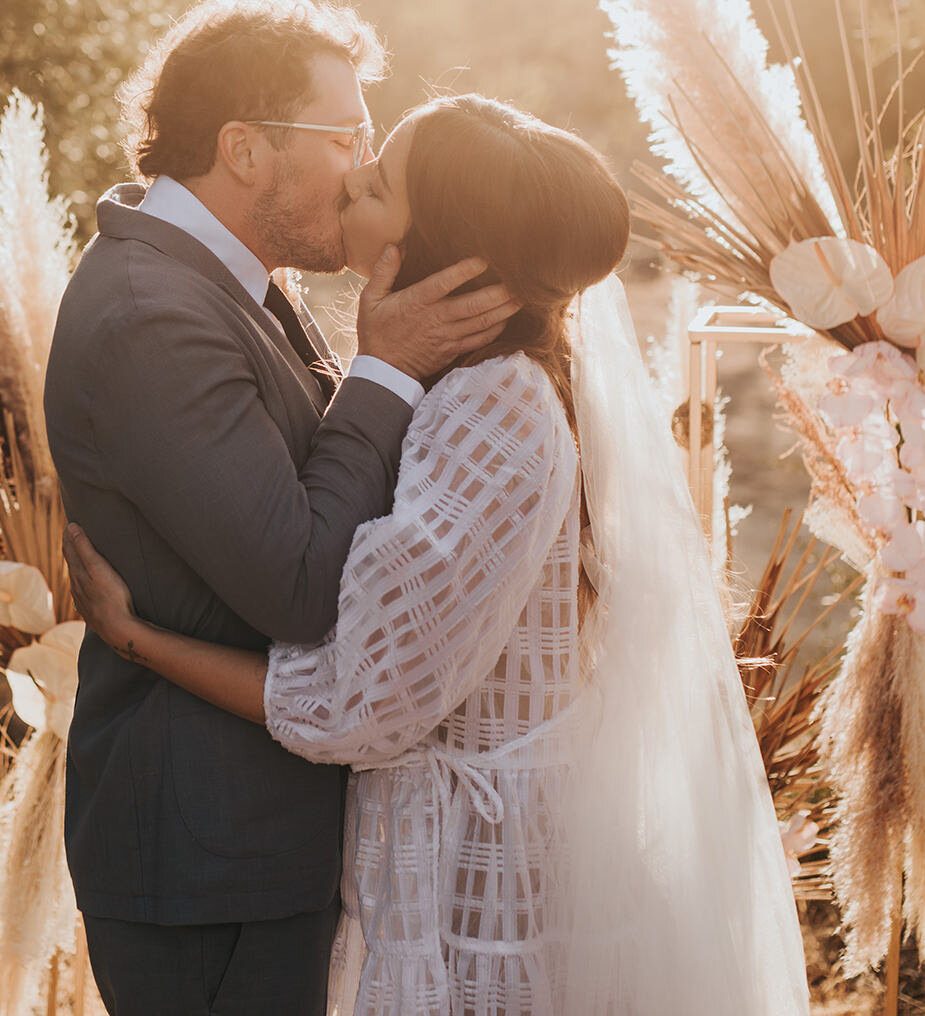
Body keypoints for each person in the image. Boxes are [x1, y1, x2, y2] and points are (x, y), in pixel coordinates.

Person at [67, 94, 813, 1014]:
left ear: (445, 255)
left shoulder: (491, 410)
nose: (349, 185)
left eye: (375, 183)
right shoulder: (460, 386)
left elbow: (354, 702)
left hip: (476, 890)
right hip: (439, 860)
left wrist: (136, 639)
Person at [42, 0, 520, 1015]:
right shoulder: (152, 316)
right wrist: (384, 372)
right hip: (210, 853)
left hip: (254, 839)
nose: (362, 163)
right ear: (244, 148)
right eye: (346, 133)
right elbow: (298, 584)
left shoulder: (235, 281)